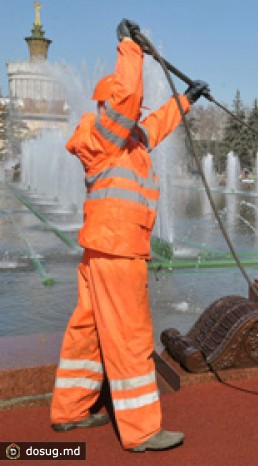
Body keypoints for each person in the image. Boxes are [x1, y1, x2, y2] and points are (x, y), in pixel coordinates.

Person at [50, 19, 209, 452]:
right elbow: (128, 96)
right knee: (130, 336)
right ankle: (141, 430)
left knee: (87, 331)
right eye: (126, 110)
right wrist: (129, 47)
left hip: (102, 249)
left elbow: (154, 124)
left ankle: (70, 410)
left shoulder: (127, 141)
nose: (134, 115)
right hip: (118, 251)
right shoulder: (103, 135)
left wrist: (186, 100)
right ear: (108, 106)